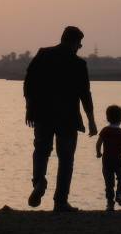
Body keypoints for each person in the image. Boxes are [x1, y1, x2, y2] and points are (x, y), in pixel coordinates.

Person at [24, 26, 98, 212]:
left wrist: (29, 109)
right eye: (79, 43)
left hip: (42, 114)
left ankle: (39, 182)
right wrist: (91, 120)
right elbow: (85, 94)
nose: (80, 47)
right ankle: (60, 201)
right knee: (66, 159)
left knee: (41, 151)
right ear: (73, 42)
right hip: (68, 118)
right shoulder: (78, 64)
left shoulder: (43, 54)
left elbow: (29, 83)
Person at [96, 105, 121, 211]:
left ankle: (110, 204)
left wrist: (98, 152)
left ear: (107, 118)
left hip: (106, 160)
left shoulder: (104, 130)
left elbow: (98, 143)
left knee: (109, 183)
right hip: (118, 160)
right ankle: (119, 194)